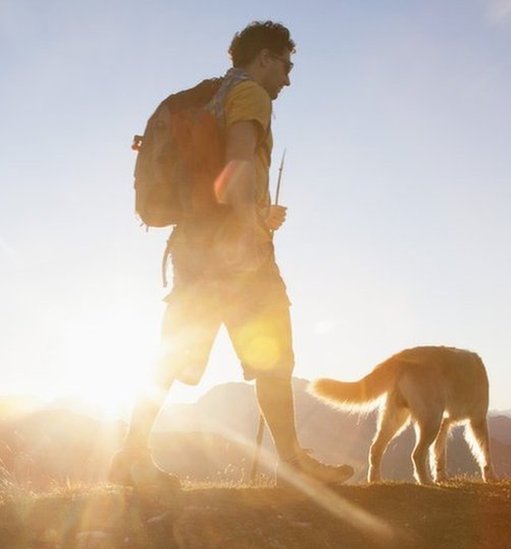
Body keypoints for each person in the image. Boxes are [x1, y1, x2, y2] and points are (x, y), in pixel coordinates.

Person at [110, 21, 353, 488]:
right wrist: (249, 231)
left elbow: (219, 176)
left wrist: (257, 214)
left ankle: (131, 452)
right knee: (275, 356)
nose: (288, 77)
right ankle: (292, 464)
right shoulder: (250, 96)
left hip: (193, 249)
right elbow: (238, 164)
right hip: (238, 256)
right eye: (285, 65)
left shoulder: (211, 96)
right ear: (263, 58)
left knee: (172, 354)